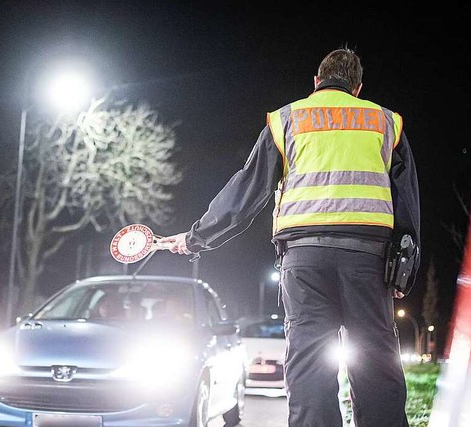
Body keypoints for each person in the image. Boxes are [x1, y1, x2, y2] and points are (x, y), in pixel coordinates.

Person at [160, 48, 420, 427]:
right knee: (376, 366)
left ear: (317, 82)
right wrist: (404, 272)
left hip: (304, 262)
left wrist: (196, 237)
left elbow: (246, 192)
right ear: (358, 87)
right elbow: (407, 201)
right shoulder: (385, 121)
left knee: (310, 367)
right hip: (369, 261)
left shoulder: (288, 119)